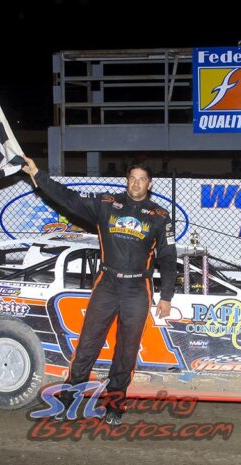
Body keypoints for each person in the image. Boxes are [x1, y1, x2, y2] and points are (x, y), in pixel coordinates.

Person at [21, 156, 176, 425]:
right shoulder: (107, 204)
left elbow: (169, 258)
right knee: (88, 343)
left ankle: (114, 404)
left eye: (141, 179)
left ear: (149, 184)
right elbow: (68, 198)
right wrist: (38, 174)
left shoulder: (160, 217)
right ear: (126, 181)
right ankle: (68, 398)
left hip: (138, 288)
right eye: (132, 178)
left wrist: (167, 296)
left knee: (127, 350)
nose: (136, 183)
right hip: (107, 284)